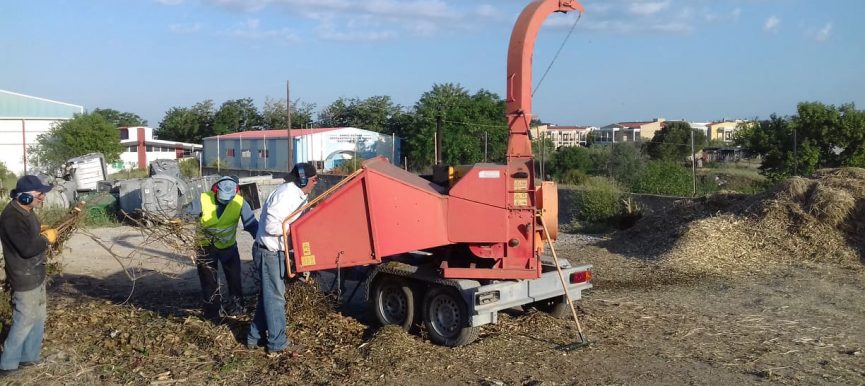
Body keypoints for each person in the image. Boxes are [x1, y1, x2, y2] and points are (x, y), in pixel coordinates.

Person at [247, 163, 318, 355]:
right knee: (275, 298)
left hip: (277, 251)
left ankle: (253, 337)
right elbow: (271, 226)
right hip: (269, 252)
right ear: (303, 179)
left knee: (269, 297)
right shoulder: (285, 195)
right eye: (314, 179)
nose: (315, 183)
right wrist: (296, 232)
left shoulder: (299, 195)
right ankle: (277, 344)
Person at [0, 176, 58, 374]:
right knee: (24, 320)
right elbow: (26, 248)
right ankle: (7, 364)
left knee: (38, 316)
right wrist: (45, 239)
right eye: (39, 194)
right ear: (23, 197)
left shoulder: (27, 210)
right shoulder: (11, 217)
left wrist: (40, 231)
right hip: (23, 276)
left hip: (36, 272)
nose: (42, 197)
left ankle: (29, 357)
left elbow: (29, 237)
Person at [186, 175, 258, 322]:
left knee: (234, 280)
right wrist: (179, 219)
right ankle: (212, 314)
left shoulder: (240, 202)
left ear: (236, 192)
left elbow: (251, 224)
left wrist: (262, 238)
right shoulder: (203, 199)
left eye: (228, 198)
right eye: (222, 197)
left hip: (228, 248)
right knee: (209, 283)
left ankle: (237, 308)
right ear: (215, 190)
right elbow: (185, 214)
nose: (225, 200)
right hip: (205, 248)